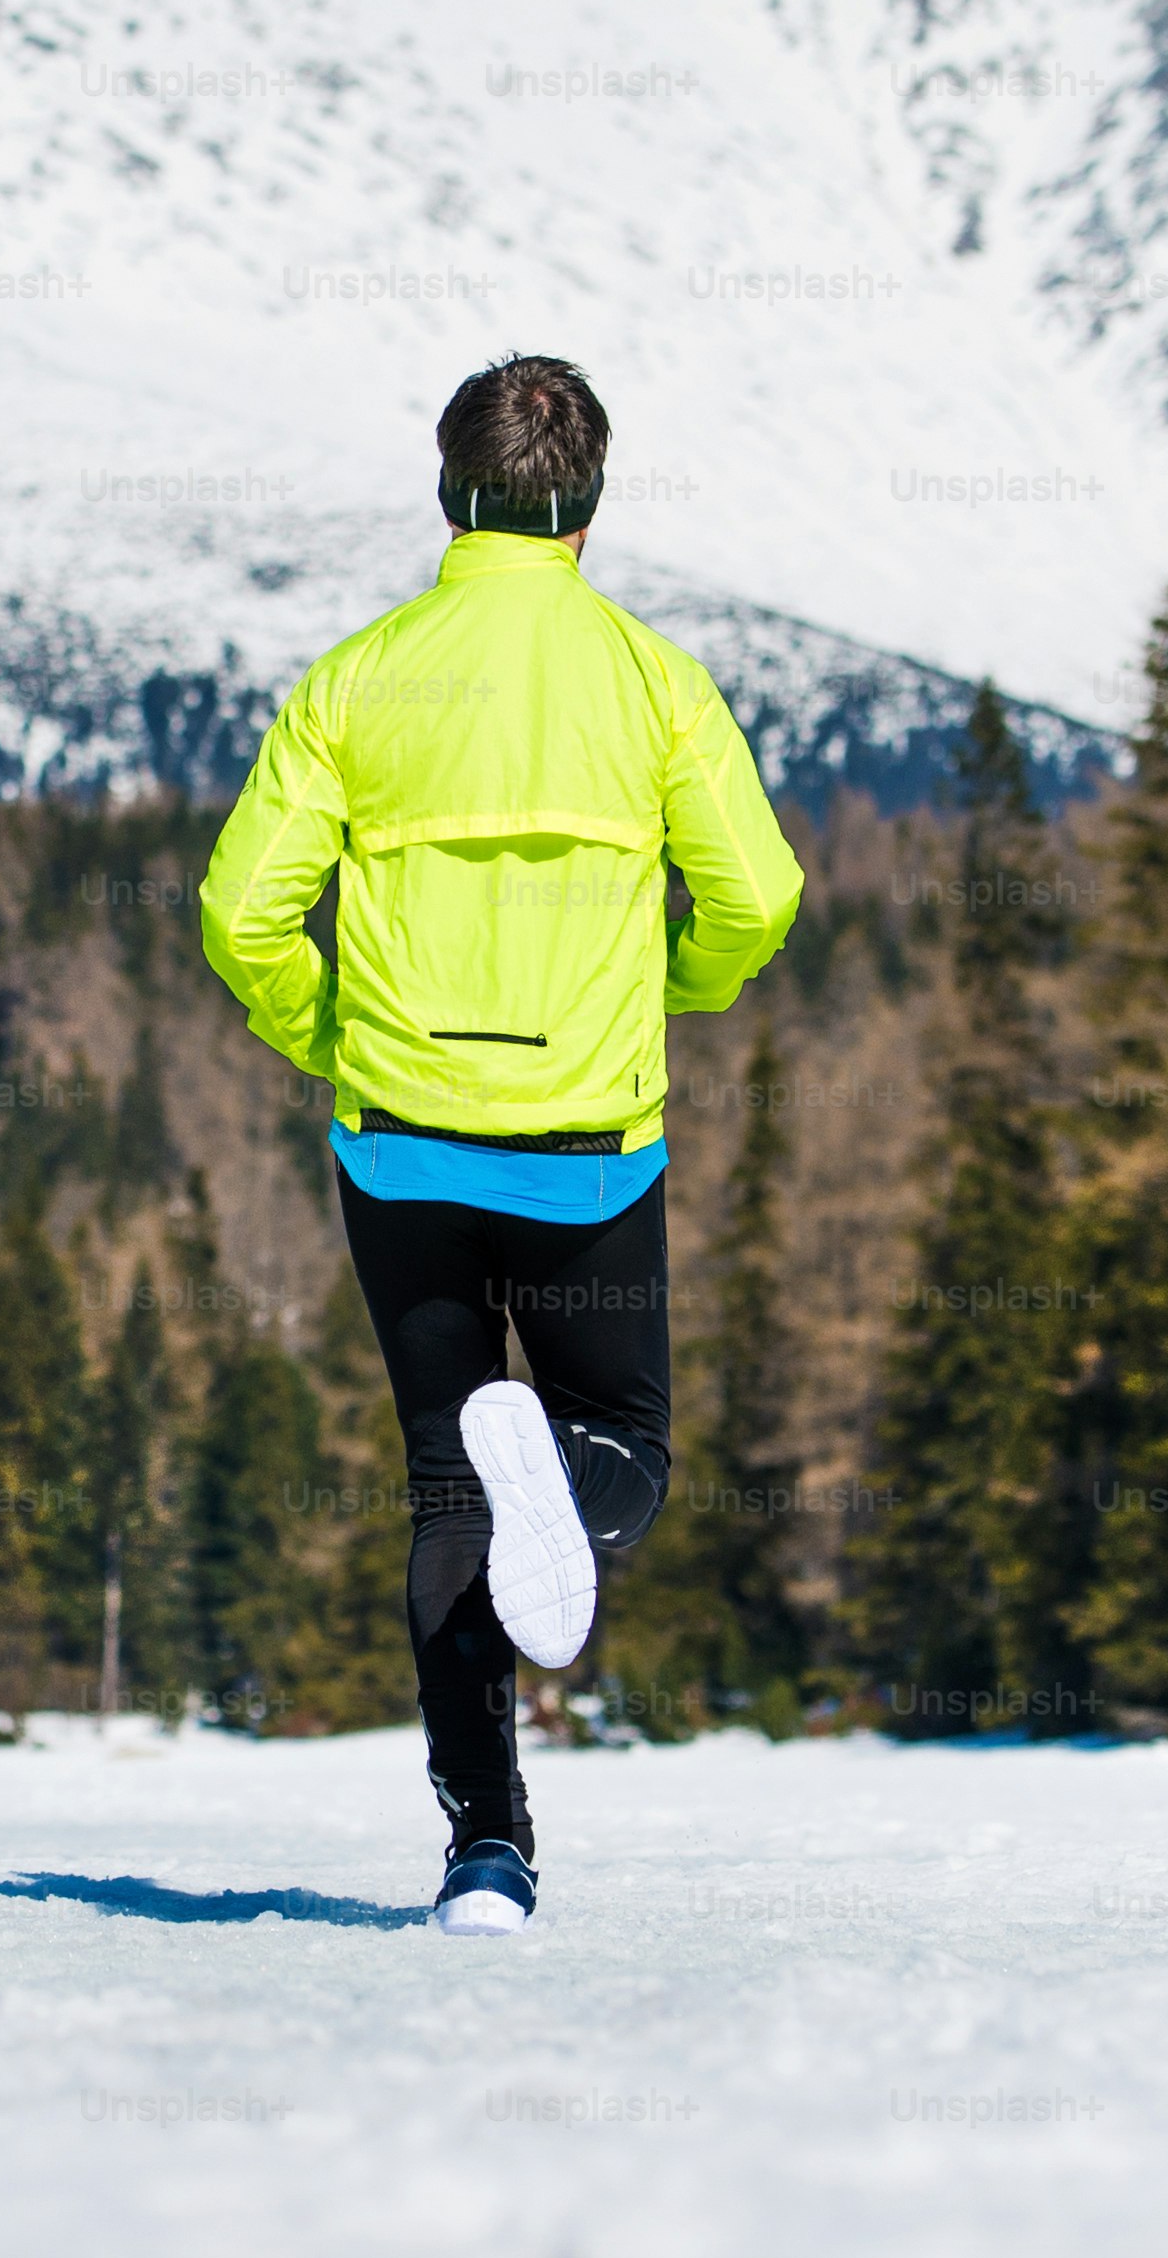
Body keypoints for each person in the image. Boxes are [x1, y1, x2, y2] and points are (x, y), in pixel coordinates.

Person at [200, 355, 802, 1936]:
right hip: (586, 1140)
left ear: (447, 492)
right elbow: (756, 893)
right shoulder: (654, 682)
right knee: (626, 1445)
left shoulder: (353, 678)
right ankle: (577, 1475)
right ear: (586, 509)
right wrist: (675, 984)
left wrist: (320, 1029)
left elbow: (234, 911)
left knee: (444, 1488)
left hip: (401, 1145)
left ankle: (486, 1846)